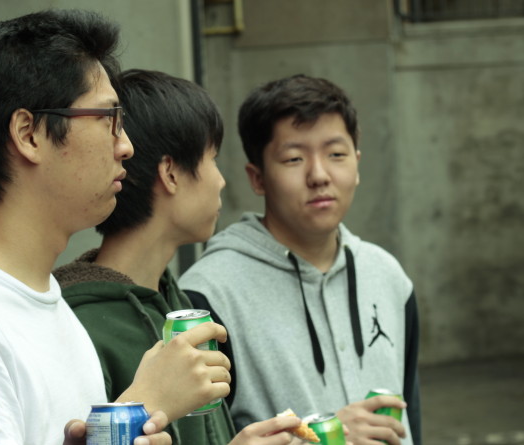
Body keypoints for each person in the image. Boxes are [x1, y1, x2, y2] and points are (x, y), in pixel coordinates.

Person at [0, 10, 227, 445]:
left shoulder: (52, 302)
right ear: (29, 134)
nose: (126, 146)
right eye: (108, 119)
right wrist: (142, 404)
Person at [54, 69, 310, 445]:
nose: (221, 180)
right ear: (171, 173)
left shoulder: (177, 302)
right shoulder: (80, 326)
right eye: (212, 158)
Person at [178, 74, 421, 445]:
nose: (319, 175)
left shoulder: (388, 277)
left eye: (336, 155)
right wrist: (326, 435)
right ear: (257, 178)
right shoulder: (207, 296)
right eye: (293, 158)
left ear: (356, 164)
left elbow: (411, 422)